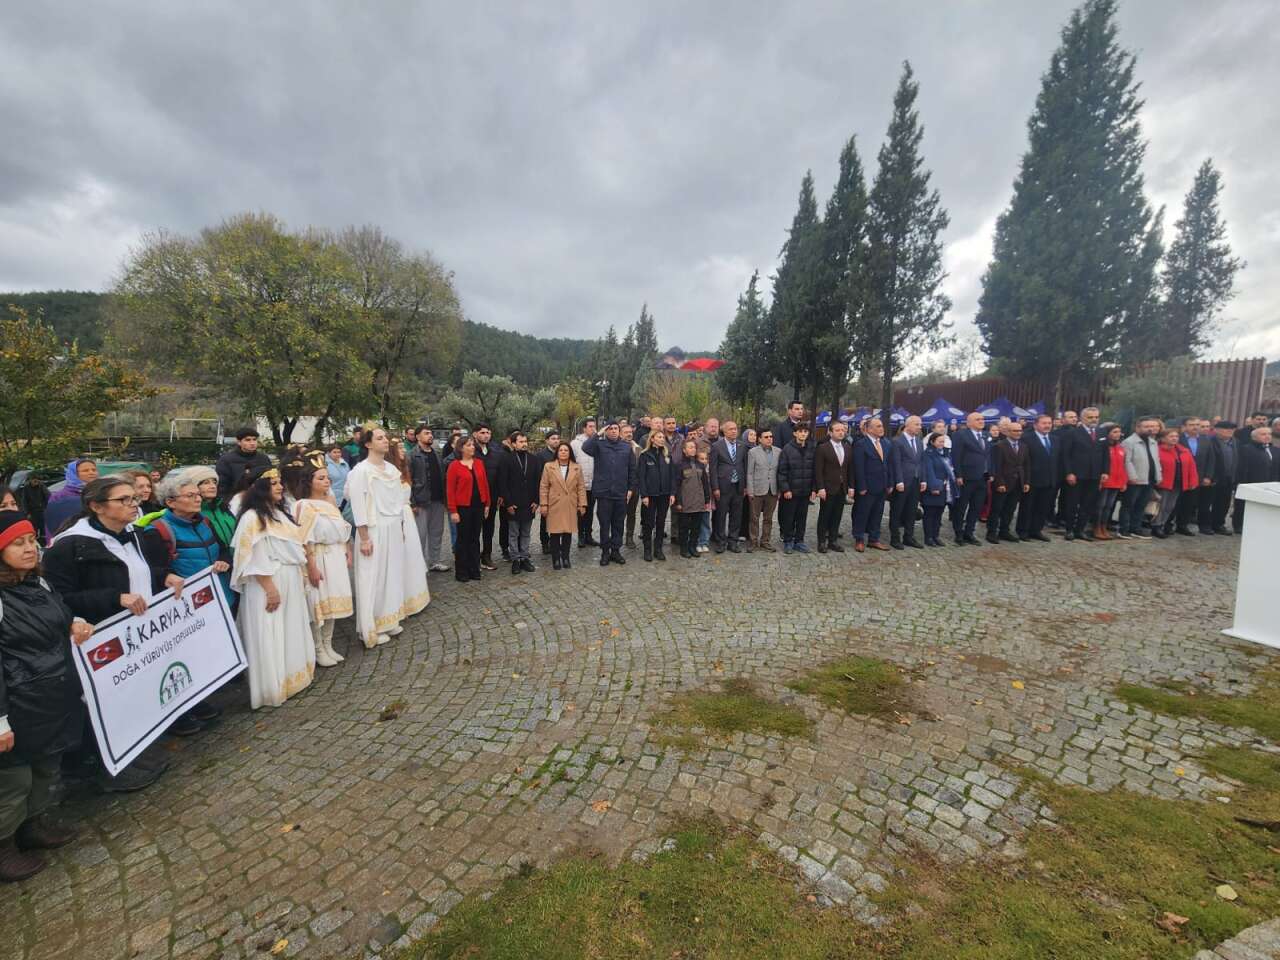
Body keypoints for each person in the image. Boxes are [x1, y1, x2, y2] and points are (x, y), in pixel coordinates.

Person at [43, 477, 181, 792]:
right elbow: (57, 598)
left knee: (129, 697)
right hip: (96, 641)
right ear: (96, 506)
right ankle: (99, 771)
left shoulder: (130, 533)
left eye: (134, 498)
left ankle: (129, 754)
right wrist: (113, 598)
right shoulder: (70, 545)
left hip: (133, 636)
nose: (135, 504)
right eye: (125, 500)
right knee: (98, 706)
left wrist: (164, 576)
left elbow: (135, 573)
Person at [0, 510, 90, 882]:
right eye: (17, 543)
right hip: (17, 704)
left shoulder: (39, 584)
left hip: (52, 695)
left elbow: (60, 614)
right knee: (14, 780)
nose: (29, 549)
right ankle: (4, 847)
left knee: (45, 766)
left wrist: (73, 622)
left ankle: (32, 826)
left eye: (31, 541)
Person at [229, 467, 314, 708]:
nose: (279, 487)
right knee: (271, 631)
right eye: (273, 483)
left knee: (289, 627)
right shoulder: (252, 518)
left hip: (288, 577)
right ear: (259, 488)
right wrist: (270, 588)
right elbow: (251, 558)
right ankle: (272, 686)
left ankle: (293, 676)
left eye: (279, 482)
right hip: (267, 583)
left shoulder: (279, 513)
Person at [347, 428, 430, 647]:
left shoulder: (392, 469)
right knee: (373, 577)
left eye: (385, 438)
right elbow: (357, 506)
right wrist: (363, 537)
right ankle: (371, 625)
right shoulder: (360, 471)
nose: (385, 441)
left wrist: (401, 527)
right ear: (367, 444)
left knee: (392, 574)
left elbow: (396, 502)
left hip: (393, 526)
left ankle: (390, 617)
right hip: (373, 530)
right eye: (380, 438)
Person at [288, 455, 353, 668]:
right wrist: (312, 567)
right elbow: (304, 538)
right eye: (321, 478)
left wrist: (346, 549)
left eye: (327, 478)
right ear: (309, 482)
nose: (327, 482)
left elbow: (341, 528)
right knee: (319, 603)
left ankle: (328, 643)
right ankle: (317, 647)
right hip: (318, 557)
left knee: (334, 601)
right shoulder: (303, 505)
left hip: (334, 555)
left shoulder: (331, 501)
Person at [582, 421, 637, 566]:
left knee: (618, 523)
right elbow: (585, 447)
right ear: (606, 431)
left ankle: (615, 551)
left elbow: (632, 469)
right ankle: (605, 551)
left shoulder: (626, 447)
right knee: (605, 524)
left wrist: (631, 488)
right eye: (610, 429)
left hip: (621, 492)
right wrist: (598, 433)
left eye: (616, 429)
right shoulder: (599, 445)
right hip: (604, 492)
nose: (613, 431)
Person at [446, 437, 491, 583]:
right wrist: (453, 511)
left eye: (473, 445)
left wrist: (487, 504)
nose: (472, 447)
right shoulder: (454, 466)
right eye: (469, 445)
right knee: (462, 539)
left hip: (478, 506)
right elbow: (450, 490)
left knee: (474, 538)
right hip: (463, 507)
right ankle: (462, 571)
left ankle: (474, 568)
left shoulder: (479, 463)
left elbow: (484, 484)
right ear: (461, 448)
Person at [497, 432, 542, 575]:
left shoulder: (533, 459)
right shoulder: (506, 459)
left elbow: (538, 481)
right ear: (513, 444)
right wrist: (508, 503)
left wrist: (536, 500)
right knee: (513, 533)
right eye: (521, 441)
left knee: (526, 533)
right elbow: (502, 483)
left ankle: (524, 557)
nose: (524, 444)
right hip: (513, 503)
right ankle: (515, 559)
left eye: (525, 441)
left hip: (529, 503)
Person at [539, 442, 586, 571]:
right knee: (555, 533)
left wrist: (582, 504)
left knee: (567, 533)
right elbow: (544, 486)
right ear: (557, 452)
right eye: (561, 450)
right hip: (554, 504)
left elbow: (581, 487)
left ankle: (565, 557)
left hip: (570, 503)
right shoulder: (549, 466)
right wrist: (543, 504)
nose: (564, 452)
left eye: (566, 450)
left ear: (570, 452)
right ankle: (555, 559)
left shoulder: (577, 467)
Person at [409, 426, 450, 573]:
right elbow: (409, 480)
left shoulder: (437, 453)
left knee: (437, 532)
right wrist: (412, 502)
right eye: (426, 433)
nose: (430, 435)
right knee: (421, 534)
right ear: (418, 437)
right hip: (421, 500)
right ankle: (419, 564)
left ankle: (435, 561)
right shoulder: (412, 455)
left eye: (431, 433)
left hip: (438, 499)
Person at [1059, 407, 1103, 542]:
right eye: (1090, 417)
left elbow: (1105, 454)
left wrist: (1105, 471)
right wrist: (1069, 472)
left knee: (1088, 504)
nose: (1094, 419)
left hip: (1094, 474)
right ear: (1082, 418)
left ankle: (1080, 530)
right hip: (1077, 474)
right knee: (1072, 503)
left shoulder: (1101, 432)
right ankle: (1069, 530)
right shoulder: (1073, 433)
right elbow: (1066, 455)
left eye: (1096, 417)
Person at [852, 418, 892, 552]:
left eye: (882, 425)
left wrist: (890, 483)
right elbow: (859, 467)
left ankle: (874, 539)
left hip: (882, 485)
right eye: (878, 426)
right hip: (867, 487)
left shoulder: (886, 443)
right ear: (869, 429)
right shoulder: (861, 444)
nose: (882, 428)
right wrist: (862, 486)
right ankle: (859, 539)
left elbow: (888, 465)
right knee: (863, 513)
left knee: (877, 513)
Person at [987, 420, 1030, 543]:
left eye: (1020, 430)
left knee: (1010, 509)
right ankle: (991, 532)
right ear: (1007, 432)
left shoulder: (1024, 446)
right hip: (1003, 483)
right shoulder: (999, 446)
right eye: (1015, 431)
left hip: (1018, 483)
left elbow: (1027, 465)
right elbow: (996, 466)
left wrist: (1026, 482)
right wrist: (999, 483)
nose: (1018, 433)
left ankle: (1004, 531)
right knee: (997, 509)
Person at [1018, 414, 1059, 542]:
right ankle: (1023, 530)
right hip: (1032, 479)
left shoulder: (1055, 439)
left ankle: (1036, 530)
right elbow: (1023, 461)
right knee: (1028, 506)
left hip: (1049, 479)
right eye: (1044, 423)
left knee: (1043, 507)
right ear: (1036, 425)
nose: (1047, 425)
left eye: (1049, 423)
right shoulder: (1026, 438)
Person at [776, 422, 816, 555]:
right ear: (795, 433)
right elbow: (782, 471)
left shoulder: (811, 448)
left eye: (805, 432)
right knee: (789, 517)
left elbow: (814, 470)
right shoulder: (787, 449)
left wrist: (813, 489)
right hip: (791, 491)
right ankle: (788, 540)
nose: (803, 434)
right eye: (801, 431)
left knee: (802, 518)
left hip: (805, 490)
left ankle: (799, 541)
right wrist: (785, 489)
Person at [708, 421, 747, 554]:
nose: (734, 431)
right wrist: (715, 488)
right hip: (723, 486)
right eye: (730, 429)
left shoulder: (742, 446)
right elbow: (713, 469)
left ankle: (733, 541)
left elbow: (745, 466)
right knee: (720, 515)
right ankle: (720, 541)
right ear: (724, 431)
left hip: (738, 486)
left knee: (736, 515)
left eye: (735, 429)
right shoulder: (716, 446)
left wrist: (745, 485)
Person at [950, 413, 989, 546]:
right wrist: (958, 475)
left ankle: (969, 532)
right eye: (978, 419)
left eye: (982, 419)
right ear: (969, 423)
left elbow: (988, 456)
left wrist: (991, 473)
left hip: (982, 477)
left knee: (976, 507)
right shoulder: (960, 435)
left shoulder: (985, 435)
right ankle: (959, 533)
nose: (981, 421)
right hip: (966, 477)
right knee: (961, 506)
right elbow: (956, 456)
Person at [1119, 417, 1162, 539]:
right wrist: (1132, 476)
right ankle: (1124, 529)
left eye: (1152, 427)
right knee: (1128, 505)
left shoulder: (1153, 442)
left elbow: (1156, 460)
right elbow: (1127, 461)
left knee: (1141, 505)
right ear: (1138, 427)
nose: (1150, 429)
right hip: (1135, 479)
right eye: (1146, 426)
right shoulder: (1129, 442)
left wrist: (1158, 475)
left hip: (1149, 479)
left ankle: (1135, 528)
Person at [1152, 428, 1199, 539]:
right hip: (1163, 483)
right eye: (1171, 436)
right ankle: (1156, 526)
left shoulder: (1183, 450)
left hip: (1178, 483)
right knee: (1161, 506)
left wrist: (1192, 481)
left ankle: (1163, 524)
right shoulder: (1157, 450)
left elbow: (1192, 467)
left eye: (1176, 436)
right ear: (1163, 439)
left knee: (1170, 506)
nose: (1174, 438)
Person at [814, 421, 852, 554]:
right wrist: (820, 488)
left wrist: (851, 486)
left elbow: (849, 469)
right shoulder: (823, 448)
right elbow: (818, 470)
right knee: (825, 515)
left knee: (837, 515)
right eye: (837, 430)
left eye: (843, 430)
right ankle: (821, 542)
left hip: (842, 487)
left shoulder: (847, 447)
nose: (841, 432)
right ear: (830, 432)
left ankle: (833, 541)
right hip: (828, 487)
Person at [888, 416, 926, 550]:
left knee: (911, 511)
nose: (920, 427)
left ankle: (909, 537)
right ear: (908, 425)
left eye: (920, 424)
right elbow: (895, 463)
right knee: (897, 511)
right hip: (902, 481)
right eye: (917, 424)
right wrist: (898, 480)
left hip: (916, 481)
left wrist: (923, 480)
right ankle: (895, 538)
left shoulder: (919, 441)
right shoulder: (897, 442)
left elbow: (921, 462)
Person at [636, 429, 675, 562]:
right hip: (650, 495)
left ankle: (658, 549)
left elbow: (672, 476)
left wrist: (672, 493)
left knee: (661, 522)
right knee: (648, 523)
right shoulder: (645, 455)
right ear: (652, 439)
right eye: (658, 437)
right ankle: (647, 549)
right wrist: (644, 495)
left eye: (662, 437)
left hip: (664, 494)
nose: (661, 439)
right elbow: (641, 477)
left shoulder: (667, 455)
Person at [183, 466, 237, 555]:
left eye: (214, 482)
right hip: (213, 564)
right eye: (206, 483)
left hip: (234, 561)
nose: (212, 486)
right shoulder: (192, 513)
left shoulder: (223, 507)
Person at [1177, 419, 1218, 536]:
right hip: (1182, 476)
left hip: (1200, 477)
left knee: (1196, 503)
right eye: (1191, 425)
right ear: (1184, 426)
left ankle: (1192, 526)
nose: (1195, 427)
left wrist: (1208, 476)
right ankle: (1175, 525)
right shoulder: (1178, 439)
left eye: (1197, 425)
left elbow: (1211, 459)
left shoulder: (1205, 440)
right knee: (1181, 502)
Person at [42, 459, 98, 543]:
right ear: (74, 474)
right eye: (85, 470)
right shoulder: (59, 496)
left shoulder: (102, 493)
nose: (91, 472)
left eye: (94, 470)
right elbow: (51, 522)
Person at [470, 425, 502, 571]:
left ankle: (486, 555)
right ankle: (473, 557)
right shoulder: (470, 451)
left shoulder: (495, 452)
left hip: (492, 497)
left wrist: (501, 494)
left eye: (488, 432)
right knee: (474, 529)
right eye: (482, 433)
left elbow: (501, 474)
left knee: (489, 528)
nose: (486, 435)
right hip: (474, 498)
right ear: (475, 434)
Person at [1234, 426, 1279, 531]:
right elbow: (1242, 468)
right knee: (1244, 506)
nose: (1267, 436)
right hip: (1251, 482)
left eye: (1269, 434)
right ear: (1254, 437)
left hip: (1271, 484)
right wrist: (1241, 483)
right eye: (1263, 434)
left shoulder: (1275, 450)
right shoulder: (1246, 449)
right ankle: (1239, 525)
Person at [673, 439, 711, 559]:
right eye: (690, 447)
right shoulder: (679, 465)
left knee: (696, 527)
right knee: (684, 527)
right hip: (685, 501)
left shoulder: (700, 465)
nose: (692, 449)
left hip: (699, 501)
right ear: (684, 450)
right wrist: (678, 502)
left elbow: (705, 483)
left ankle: (692, 547)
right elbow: (676, 485)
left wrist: (706, 499)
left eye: (694, 447)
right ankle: (684, 549)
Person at [745, 428, 780, 552]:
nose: (769, 439)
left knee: (768, 518)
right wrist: (750, 490)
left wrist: (779, 489)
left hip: (773, 490)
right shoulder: (753, 452)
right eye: (766, 437)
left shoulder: (778, 451)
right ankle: (753, 541)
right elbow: (749, 472)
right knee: (754, 517)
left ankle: (765, 541)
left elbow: (779, 472)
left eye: (771, 436)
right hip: (757, 488)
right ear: (759, 439)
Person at [215, 428, 272, 498]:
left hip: (262, 499)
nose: (252, 443)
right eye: (247, 440)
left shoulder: (264, 459)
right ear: (239, 442)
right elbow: (222, 486)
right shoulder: (226, 460)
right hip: (236, 500)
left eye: (254, 439)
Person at [921, 433, 955, 547]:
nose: (942, 443)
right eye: (939, 441)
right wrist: (935, 487)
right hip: (933, 488)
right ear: (932, 442)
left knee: (939, 514)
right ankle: (928, 537)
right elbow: (929, 471)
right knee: (930, 514)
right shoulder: (928, 454)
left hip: (945, 488)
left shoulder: (946, 453)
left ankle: (936, 536)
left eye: (943, 441)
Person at [1095, 424, 1127, 539]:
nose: (1117, 434)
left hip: (1117, 482)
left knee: (1109, 506)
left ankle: (1104, 526)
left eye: (1119, 432)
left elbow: (1123, 466)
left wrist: (1124, 481)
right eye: (1114, 432)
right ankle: (1097, 527)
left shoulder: (1120, 448)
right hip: (1106, 480)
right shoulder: (1103, 446)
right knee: (1100, 505)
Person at [570, 419, 598, 548]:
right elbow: (571, 463)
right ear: (584, 428)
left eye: (594, 426)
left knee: (591, 511)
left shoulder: (599, 442)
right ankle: (581, 536)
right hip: (580, 484)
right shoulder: (575, 444)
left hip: (595, 483)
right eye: (590, 426)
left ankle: (589, 535)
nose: (593, 429)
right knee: (581, 511)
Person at [1210, 421, 1239, 535]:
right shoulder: (1211, 441)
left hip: (1229, 478)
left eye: (1232, 429)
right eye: (1226, 429)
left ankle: (1219, 524)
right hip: (1214, 477)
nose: (1229, 431)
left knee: (1224, 503)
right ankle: (1207, 524)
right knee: (1208, 502)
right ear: (1216, 430)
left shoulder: (1235, 442)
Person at [536, 431, 561, 555]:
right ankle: (545, 542)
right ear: (547, 440)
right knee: (545, 518)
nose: (556, 440)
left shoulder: (562, 454)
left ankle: (555, 541)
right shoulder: (541, 455)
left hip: (560, 492)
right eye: (553, 438)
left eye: (557, 438)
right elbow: (538, 475)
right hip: (547, 491)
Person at [621, 424, 643, 549]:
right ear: (620, 433)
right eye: (626, 432)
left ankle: (629, 537)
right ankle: (616, 536)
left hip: (634, 486)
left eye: (630, 432)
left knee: (632, 513)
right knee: (618, 513)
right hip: (620, 486)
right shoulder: (617, 447)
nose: (629, 434)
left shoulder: (638, 448)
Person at [325, 445, 351, 521]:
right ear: (329, 453)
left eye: (339, 452)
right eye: (334, 452)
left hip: (345, 498)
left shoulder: (345, 463)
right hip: (332, 498)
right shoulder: (325, 465)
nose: (337, 454)